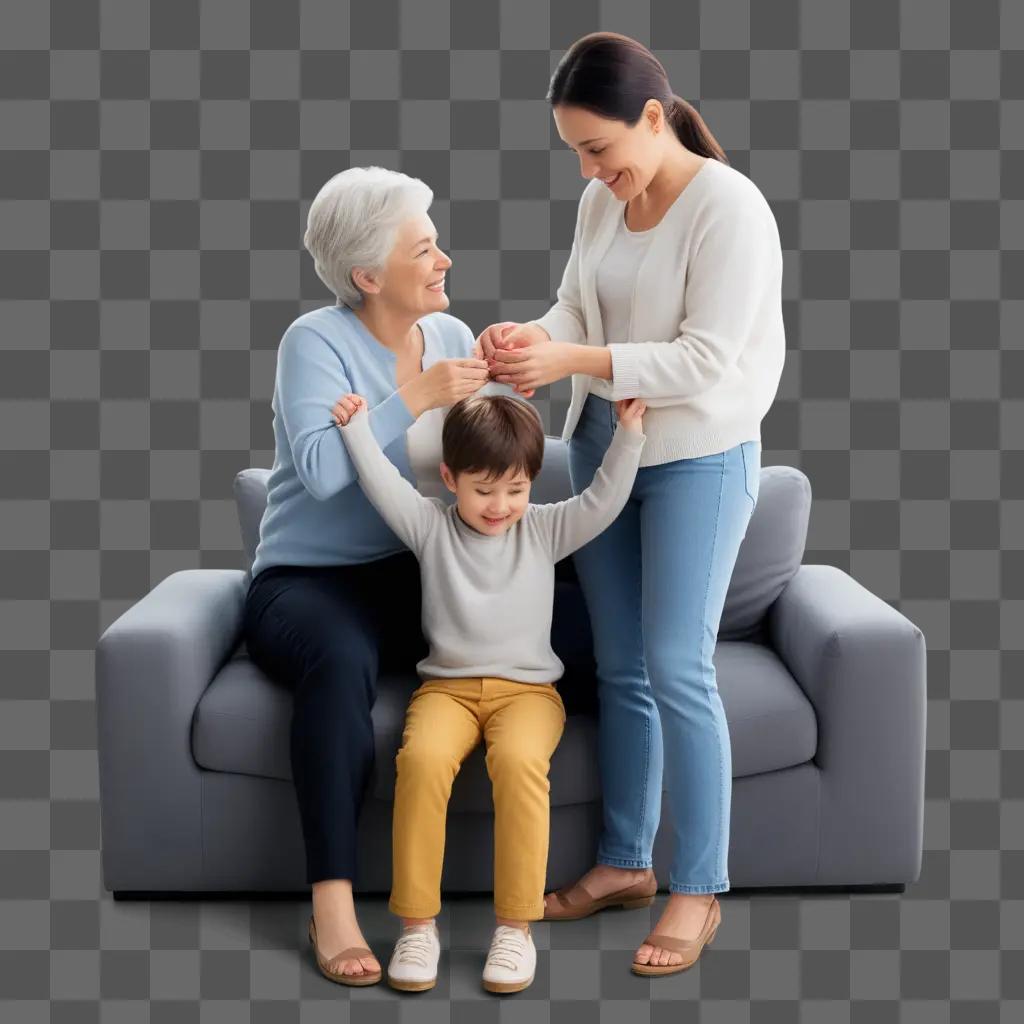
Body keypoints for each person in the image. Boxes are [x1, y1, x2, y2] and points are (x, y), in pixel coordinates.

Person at [477, 32, 785, 976]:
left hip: (699, 455)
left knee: (676, 664)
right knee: (620, 667)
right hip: (606, 443)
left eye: (599, 149)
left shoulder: (729, 210)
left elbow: (706, 359)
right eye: (575, 151)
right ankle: (623, 865)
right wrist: (532, 338)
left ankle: (697, 888)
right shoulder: (599, 201)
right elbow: (577, 307)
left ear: (654, 118)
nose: (589, 168)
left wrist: (572, 361)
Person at [243, 165, 498, 986]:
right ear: (368, 276)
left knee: (575, 627)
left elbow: (482, 465)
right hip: (309, 583)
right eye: (424, 248)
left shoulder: (454, 339)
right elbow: (321, 471)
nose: (444, 260)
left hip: (417, 571)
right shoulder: (314, 342)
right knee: (339, 661)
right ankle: (334, 908)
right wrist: (416, 397)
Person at [334, 391, 647, 993]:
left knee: (521, 761)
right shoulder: (429, 526)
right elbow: (382, 483)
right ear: (450, 479)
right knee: (421, 762)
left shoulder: (544, 528)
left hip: (528, 695)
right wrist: (356, 431)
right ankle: (418, 928)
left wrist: (629, 435)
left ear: (531, 482)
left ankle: (515, 930)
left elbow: (604, 501)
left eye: (516, 489)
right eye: (484, 491)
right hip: (445, 692)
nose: (501, 506)